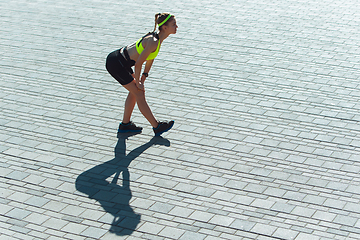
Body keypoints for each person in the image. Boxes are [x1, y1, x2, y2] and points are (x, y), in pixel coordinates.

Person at [106, 13, 177, 136]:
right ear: (164, 27)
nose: (177, 26)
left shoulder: (158, 40)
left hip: (123, 62)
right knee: (139, 92)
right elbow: (138, 64)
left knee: (134, 91)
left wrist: (144, 76)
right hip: (116, 63)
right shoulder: (154, 41)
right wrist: (138, 82)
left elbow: (150, 58)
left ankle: (125, 125)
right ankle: (157, 126)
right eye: (173, 24)